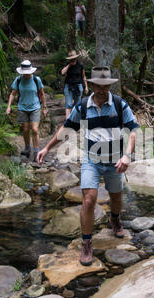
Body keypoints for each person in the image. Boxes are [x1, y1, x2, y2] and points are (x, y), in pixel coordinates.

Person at [37, 67, 140, 266]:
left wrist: (127, 155)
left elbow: (133, 131)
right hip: (91, 161)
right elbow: (66, 129)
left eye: (106, 86)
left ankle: (115, 219)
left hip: (115, 162)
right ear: (92, 85)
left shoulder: (119, 104)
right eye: (99, 86)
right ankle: (86, 242)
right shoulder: (82, 107)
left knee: (116, 198)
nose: (103, 90)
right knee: (89, 200)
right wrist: (47, 148)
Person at [7, 60, 47, 162]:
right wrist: (8, 106)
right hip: (22, 108)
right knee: (25, 129)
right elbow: (12, 93)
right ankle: (27, 147)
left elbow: (42, 94)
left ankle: (36, 151)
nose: (25, 74)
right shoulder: (18, 80)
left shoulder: (36, 80)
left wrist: (45, 108)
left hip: (35, 107)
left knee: (34, 129)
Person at [61, 50, 88, 119]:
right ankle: (67, 123)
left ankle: (77, 121)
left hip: (78, 86)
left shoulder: (80, 65)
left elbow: (83, 76)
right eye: (71, 59)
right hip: (68, 86)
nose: (73, 60)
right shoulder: (67, 64)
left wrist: (86, 87)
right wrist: (69, 65)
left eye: (74, 58)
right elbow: (62, 73)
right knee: (68, 104)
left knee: (77, 104)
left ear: (76, 58)